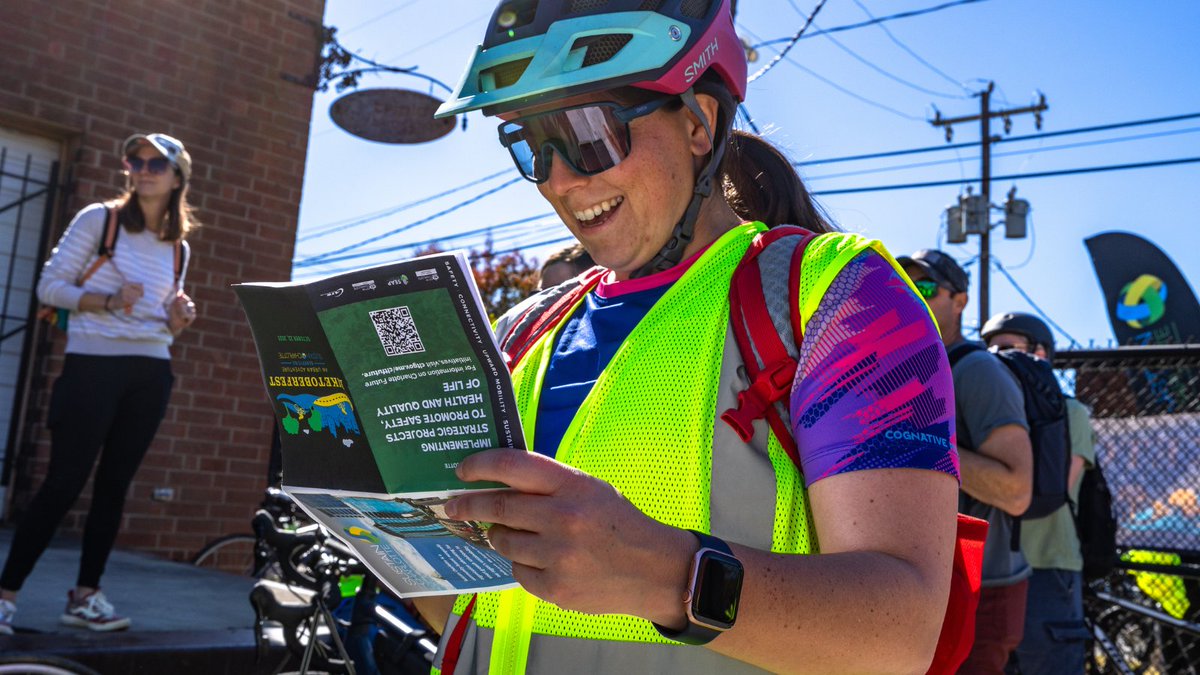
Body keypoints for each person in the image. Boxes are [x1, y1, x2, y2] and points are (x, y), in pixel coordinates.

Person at [412, 2, 961, 672]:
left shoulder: (834, 295)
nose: (558, 179)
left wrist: (667, 576)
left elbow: (901, 634)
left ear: (698, 122)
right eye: (529, 143)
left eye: (588, 132)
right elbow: (477, 615)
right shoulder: (523, 331)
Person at [0, 133, 198, 634]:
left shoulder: (179, 247)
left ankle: (86, 596)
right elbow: (49, 288)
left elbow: (162, 316)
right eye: (136, 160)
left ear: (178, 178)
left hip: (151, 370)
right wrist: (107, 302)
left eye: (157, 163)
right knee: (63, 482)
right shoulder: (100, 220)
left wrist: (178, 318)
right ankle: (5, 595)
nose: (144, 169)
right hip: (92, 365)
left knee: (114, 487)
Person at [899, 251, 1034, 674]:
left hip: (982, 590)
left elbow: (1016, 491)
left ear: (960, 301)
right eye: (904, 286)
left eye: (925, 287)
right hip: (932, 585)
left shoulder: (978, 371)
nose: (912, 297)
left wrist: (918, 438)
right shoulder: (916, 366)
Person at [979, 311, 1094, 675]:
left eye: (1008, 348)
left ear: (1042, 353)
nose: (996, 356)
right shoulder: (984, 411)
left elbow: (1058, 486)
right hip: (994, 569)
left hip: (1048, 565)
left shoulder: (1070, 411)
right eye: (990, 349)